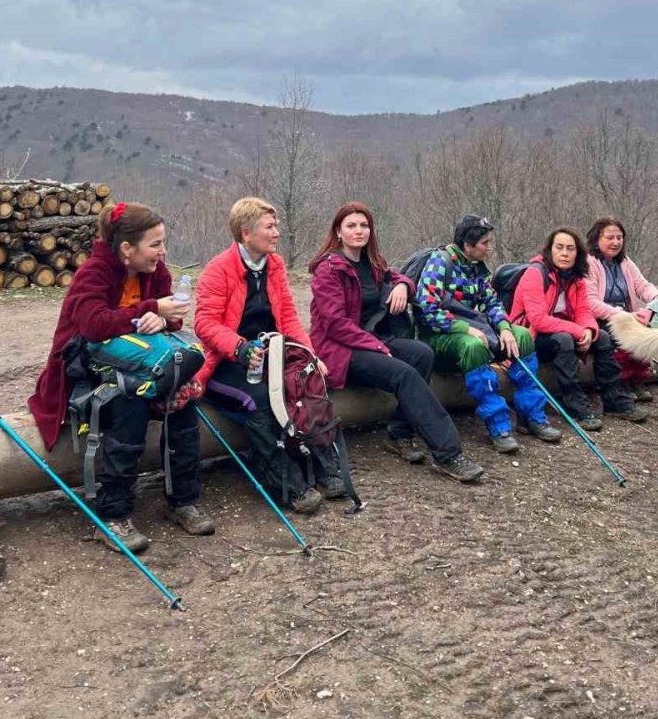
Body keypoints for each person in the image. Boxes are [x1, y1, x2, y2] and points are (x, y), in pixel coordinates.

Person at [29, 202, 214, 554]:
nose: (163, 251)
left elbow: (170, 321)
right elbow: (93, 326)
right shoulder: (94, 272)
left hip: (142, 364)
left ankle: (183, 501)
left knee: (183, 402)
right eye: (156, 244)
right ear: (127, 249)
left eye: (163, 243)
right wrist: (151, 310)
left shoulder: (155, 272)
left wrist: (162, 319)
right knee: (129, 402)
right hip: (85, 371)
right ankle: (112, 516)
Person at [309, 202, 484, 483]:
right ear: (338, 232)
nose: (359, 231)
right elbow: (335, 324)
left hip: (373, 340)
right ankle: (448, 454)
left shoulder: (372, 263)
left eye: (364, 225)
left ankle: (400, 434)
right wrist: (379, 348)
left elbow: (398, 275)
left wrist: (403, 285)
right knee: (404, 373)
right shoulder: (328, 270)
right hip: (340, 350)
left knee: (422, 354)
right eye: (351, 226)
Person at [195, 196, 344, 515]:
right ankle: (286, 485)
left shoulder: (274, 265)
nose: (277, 232)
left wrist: (309, 355)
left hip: (270, 354)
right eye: (270, 226)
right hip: (227, 362)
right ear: (246, 234)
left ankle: (324, 468)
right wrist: (239, 347)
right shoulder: (218, 269)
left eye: (276, 225)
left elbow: (288, 316)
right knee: (260, 399)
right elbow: (204, 323)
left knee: (304, 384)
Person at [413, 214, 561, 453]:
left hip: (475, 327)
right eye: (485, 243)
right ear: (468, 245)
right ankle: (499, 425)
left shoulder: (478, 268)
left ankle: (531, 415)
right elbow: (427, 310)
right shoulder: (439, 263)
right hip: (439, 336)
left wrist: (504, 327)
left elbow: (492, 303)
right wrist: (465, 328)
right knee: (474, 345)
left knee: (521, 336)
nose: (489, 248)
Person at [510, 227, 647, 426]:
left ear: (578, 253)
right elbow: (538, 319)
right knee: (564, 339)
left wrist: (589, 331)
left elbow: (584, 311)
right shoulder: (535, 274)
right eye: (559, 248)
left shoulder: (577, 278)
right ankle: (575, 405)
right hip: (531, 334)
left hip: (562, 331)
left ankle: (615, 400)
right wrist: (577, 331)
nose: (564, 253)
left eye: (570, 249)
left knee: (603, 337)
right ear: (550, 250)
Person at [584, 217, 658, 401]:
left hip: (626, 313)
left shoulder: (625, 262)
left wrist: (656, 296)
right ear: (596, 239)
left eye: (619, 237)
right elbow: (590, 302)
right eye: (610, 237)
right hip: (601, 316)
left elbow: (642, 285)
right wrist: (623, 315)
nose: (615, 242)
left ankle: (636, 380)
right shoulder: (589, 263)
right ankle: (622, 382)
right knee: (621, 333)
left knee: (645, 331)